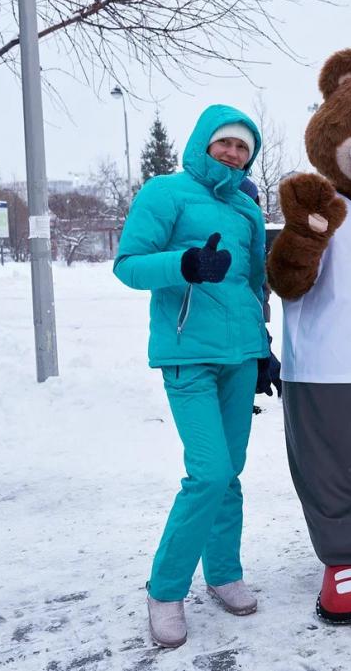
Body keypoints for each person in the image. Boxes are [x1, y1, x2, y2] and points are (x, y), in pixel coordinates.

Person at [113, 105, 268, 648]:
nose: (232, 153)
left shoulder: (248, 209)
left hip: (241, 355)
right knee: (208, 472)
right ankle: (165, 588)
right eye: (224, 143)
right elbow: (128, 264)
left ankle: (223, 572)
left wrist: (263, 350)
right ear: (203, 142)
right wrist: (183, 264)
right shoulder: (165, 193)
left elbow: (254, 284)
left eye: (243, 147)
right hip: (187, 354)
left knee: (230, 473)